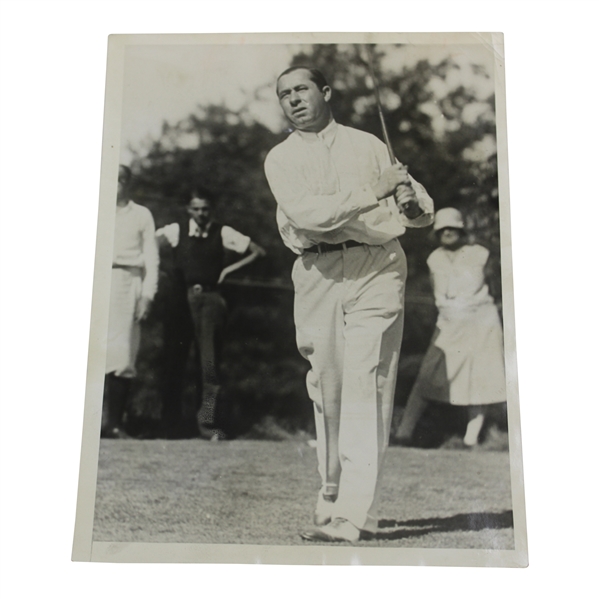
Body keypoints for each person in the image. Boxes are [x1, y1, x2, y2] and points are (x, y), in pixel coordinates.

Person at [264, 66, 434, 542]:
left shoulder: (368, 144)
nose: (293, 99)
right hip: (316, 271)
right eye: (284, 95)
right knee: (328, 385)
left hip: (377, 266)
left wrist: (415, 207)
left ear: (326, 91)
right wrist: (373, 191)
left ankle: (354, 514)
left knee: (366, 382)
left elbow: (417, 205)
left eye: (301, 89)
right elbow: (310, 217)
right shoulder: (279, 159)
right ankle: (333, 487)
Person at [393, 207, 506, 447]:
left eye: (452, 228)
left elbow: (496, 288)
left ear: (461, 229)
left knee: (479, 379)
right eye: (442, 228)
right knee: (426, 376)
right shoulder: (434, 258)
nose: (447, 232)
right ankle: (403, 434)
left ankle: (470, 439)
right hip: (449, 322)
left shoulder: (480, 254)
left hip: (480, 321)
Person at [156, 194, 265, 441]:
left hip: (210, 300)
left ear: (211, 210)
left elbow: (258, 251)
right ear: (188, 210)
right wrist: (166, 272)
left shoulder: (222, 232)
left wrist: (228, 271)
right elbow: (149, 245)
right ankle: (169, 424)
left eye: (206, 209)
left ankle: (206, 422)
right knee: (174, 360)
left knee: (209, 363)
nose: (201, 214)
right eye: (196, 209)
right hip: (180, 299)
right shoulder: (176, 231)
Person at [102, 165, 159, 438]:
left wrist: (148, 294)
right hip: (95, 280)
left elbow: (152, 257)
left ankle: (114, 424)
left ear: (128, 184)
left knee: (122, 352)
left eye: (120, 180)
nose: (115, 185)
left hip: (128, 282)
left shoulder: (141, 215)